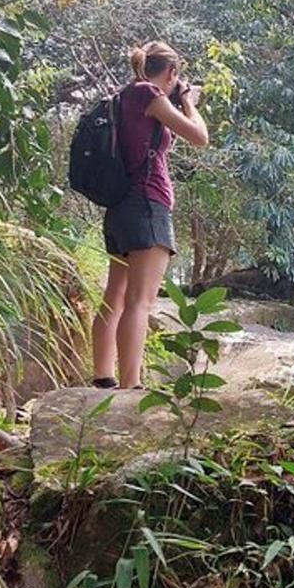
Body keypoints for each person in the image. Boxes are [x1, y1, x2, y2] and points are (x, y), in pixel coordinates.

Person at [91, 41, 209, 390]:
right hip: (147, 204)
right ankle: (130, 386)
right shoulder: (148, 95)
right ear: (172, 72)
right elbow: (199, 136)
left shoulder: (125, 96)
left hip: (121, 207)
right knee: (140, 301)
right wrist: (188, 102)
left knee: (115, 295)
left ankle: (103, 377)